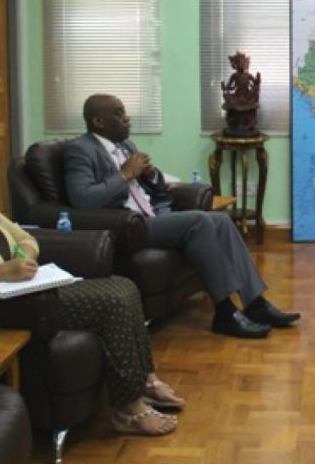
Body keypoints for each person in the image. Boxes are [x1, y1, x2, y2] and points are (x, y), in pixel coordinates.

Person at [0, 144, 184, 436]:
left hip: (29, 290)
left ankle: (145, 378)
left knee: (124, 286)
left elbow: (26, 238)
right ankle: (129, 409)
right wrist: (3, 271)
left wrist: (25, 258)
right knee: (112, 303)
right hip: (10, 307)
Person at [64, 94, 299, 339]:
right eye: (118, 113)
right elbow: (82, 199)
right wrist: (125, 175)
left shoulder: (126, 146)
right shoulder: (81, 150)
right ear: (99, 122)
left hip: (151, 214)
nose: (127, 118)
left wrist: (151, 175)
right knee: (199, 221)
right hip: (128, 225)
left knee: (221, 220)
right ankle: (225, 312)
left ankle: (255, 303)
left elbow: (155, 187)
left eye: (124, 112)